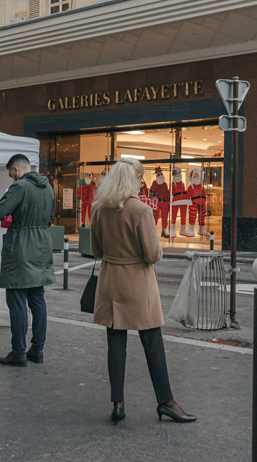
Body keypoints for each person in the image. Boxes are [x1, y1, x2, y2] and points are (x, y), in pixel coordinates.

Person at [90, 158, 196, 425]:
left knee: (115, 342)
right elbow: (152, 254)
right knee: (153, 344)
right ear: (133, 180)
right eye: (139, 178)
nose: (141, 182)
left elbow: (96, 250)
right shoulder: (140, 211)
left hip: (110, 281)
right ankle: (166, 401)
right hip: (137, 283)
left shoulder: (100, 209)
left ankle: (118, 402)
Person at [0, 154, 55, 367]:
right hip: (42, 246)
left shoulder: (19, 187)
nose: (12, 178)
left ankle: (18, 351)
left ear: (16, 170)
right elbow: (48, 220)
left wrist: (5, 195)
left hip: (20, 248)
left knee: (17, 300)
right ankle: (37, 349)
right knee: (37, 299)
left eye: (11, 175)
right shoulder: (48, 188)